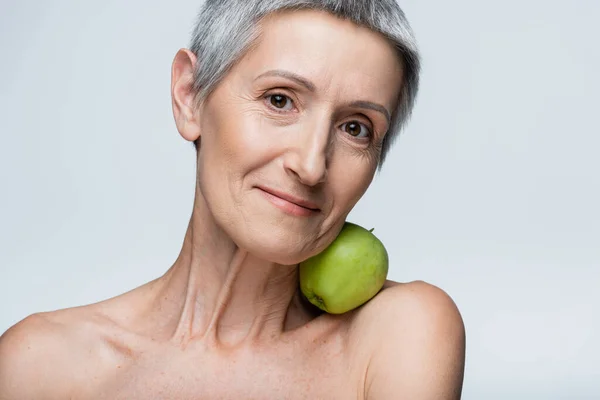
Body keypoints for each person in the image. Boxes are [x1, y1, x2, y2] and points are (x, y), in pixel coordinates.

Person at [0, 0, 466, 398]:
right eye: (280, 100)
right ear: (189, 97)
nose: (311, 165)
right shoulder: (39, 368)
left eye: (355, 128)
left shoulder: (398, 334)